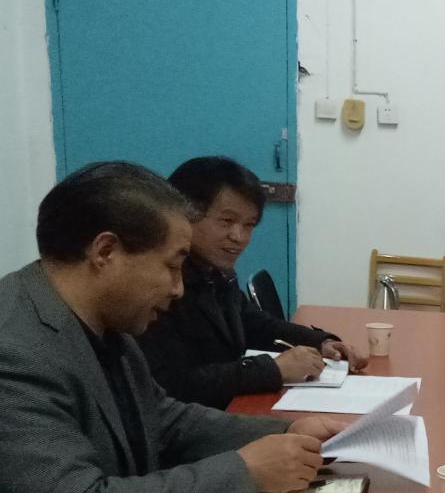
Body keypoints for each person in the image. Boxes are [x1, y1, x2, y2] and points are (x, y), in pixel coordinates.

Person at [0, 162, 347, 493]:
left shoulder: (103, 322)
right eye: (171, 266)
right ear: (106, 252)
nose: (179, 288)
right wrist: (245, 473)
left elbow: (164, 418)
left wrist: (288, 429)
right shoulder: (16, 349)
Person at [138, 156, 367, 408]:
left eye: (249, 225)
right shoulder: (160, 285)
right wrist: (272, 370)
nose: (239, 237)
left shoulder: (214, 271)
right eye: (227, 221)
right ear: (183, 215)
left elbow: (252, 322)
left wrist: (320, 342)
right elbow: (171, 386)